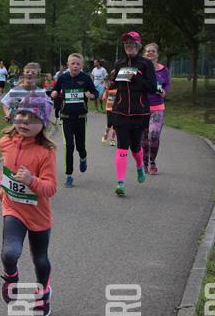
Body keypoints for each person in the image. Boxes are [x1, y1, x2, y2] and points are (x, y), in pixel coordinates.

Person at [0, 93, 56, 316]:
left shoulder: (45, 152)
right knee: (10, 252)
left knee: (39, 259)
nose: (24, 121)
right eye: (21, 114)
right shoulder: (5, 142)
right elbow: (7, 167)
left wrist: (31, 181)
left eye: (32, 118)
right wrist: (2, 186)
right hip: (13, 208)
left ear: (43, 124)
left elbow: (51, 188)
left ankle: (43, 294)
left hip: (38, 215)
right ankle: (10, 275)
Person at [109, 31, 157, 196]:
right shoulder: (119, 63)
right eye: (126, 43)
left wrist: (135, 77)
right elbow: (115, 85)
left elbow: (152, 88)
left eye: (132, 43)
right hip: (121, 112)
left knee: (135, 148)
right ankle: (120, 183)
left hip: (139, 113)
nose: (129, 45)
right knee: (122, 147)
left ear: (138, 45)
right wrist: (110, 83)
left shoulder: (146, 64)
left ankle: (139, 167)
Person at [51, 53, 98, 187]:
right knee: (69, 145)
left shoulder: (85, 78)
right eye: (73, 63)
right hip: (66, 117)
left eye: (78, 64)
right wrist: (54, 93)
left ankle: (83, 157)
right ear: (68, 64)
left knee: (80, 146)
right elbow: (55, 91)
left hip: (80, 118)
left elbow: (96, 92)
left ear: (82, 65)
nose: (75, 66)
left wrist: (92, 95)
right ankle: (69, 175)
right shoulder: (62, 77)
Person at [141, 43, 171, 174]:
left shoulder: (163, 70)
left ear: (157, 54)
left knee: (154, 136)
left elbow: (167, 84)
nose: (150, 53)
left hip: (157, 107)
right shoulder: (140, 69)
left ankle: (152, 161)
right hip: (142, 107)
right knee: (144, 138)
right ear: (144, 54)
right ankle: (144, 163)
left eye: (153, 51)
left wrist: (164, 91)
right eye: (147, 51)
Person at [101, 76, 117, 145]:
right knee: (109, 124)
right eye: (107, 82)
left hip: (117, 109)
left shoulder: (119, 88)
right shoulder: (107, 89)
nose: (108, 83)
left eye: (109, 82)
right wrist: (104, 94)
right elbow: (104, 98)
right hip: (109, 108)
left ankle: (112, 139)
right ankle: (105, 135)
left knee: (115, 125)